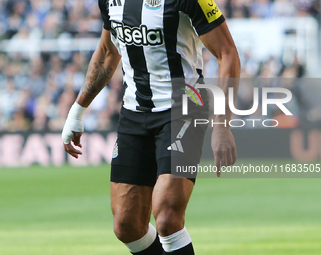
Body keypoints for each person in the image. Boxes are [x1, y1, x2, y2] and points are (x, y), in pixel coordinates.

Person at [62, 0, 240, 254]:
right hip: (134, 113)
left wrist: (222, 125)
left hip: (184, 109)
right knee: (127, 226)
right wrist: (76, 111)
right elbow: (107, 52)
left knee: (167, 216)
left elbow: (227, 53)